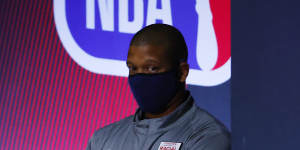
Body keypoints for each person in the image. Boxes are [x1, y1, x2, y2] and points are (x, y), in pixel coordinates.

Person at [86, 24, 230, 150]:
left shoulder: (208, 138)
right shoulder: (103, 139)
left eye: (151, 68)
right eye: (133, 68)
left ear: (182, 72)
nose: (140, 77)